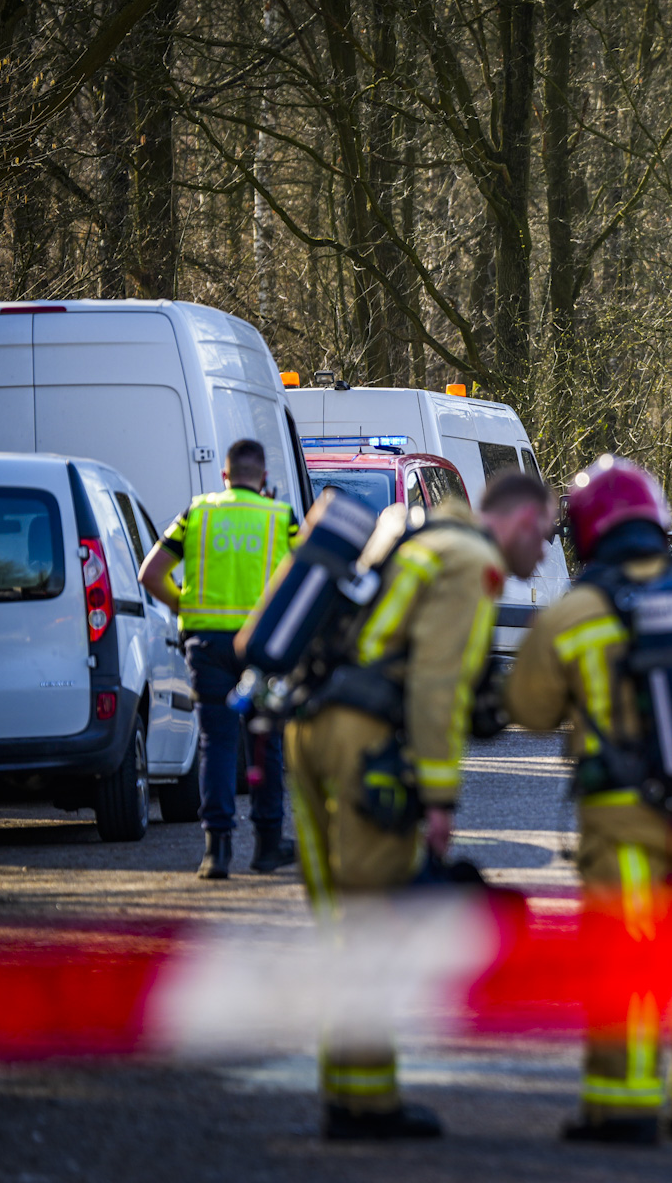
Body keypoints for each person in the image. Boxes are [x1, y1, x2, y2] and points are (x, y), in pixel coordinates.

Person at [505, 456, 672, 1146]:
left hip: (619, 812)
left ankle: (622, 1105)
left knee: (622, 950)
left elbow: (529, 708)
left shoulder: (577, 611)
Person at [286, 470, 552, 1140]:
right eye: (544, 537)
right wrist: (439, 797)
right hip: (367, 743)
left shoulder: (413, 535)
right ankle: (367, 1106)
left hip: (308, 728)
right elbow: (435, 684)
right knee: (372, 920)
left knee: (340, 922)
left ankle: (346, 1090)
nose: (545, 554)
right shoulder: (474, 564)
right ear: (519, 523)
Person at [139, 437, 300, 880]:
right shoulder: (281, 518)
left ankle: (217, 852)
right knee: (265, 746)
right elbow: (308, 579)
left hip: (207, 646)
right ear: (264, 478)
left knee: (216, 743)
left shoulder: (197, 513)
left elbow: (150, 573)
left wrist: (184, 606)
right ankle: (268, 846)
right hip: (263, 649)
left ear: (225, 476)